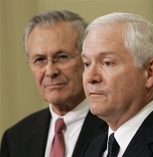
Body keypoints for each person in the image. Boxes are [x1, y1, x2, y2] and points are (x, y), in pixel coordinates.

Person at [0, 10, 108, 157]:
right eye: (40, 60)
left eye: (62, 57)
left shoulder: (114, 127)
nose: (50, 71)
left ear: (86, 60)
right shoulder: (15, 138)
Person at [81, 12, 153, 157]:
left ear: (150, 72)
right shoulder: (92, 148)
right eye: (87, 64)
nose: (90, 77)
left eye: (107, 63)